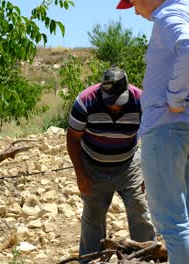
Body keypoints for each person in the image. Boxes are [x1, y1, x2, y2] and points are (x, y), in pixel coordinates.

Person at [116, 0, 189, 263]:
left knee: (173, 224)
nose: (136, 12)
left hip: (166, 128)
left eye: (132, 4)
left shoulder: (167, 16)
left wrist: (175, 98)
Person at [66, 68, 156, 263]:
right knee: (93, 218)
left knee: (140, 210)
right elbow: (73, 138)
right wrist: (80, 175)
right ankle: (91, 260)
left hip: (129, 164)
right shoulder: (85, 101)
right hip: (93, 166)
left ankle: (148, 257)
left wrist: (149, 172)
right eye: (110, 101)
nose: (115, 106)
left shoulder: (141, 101)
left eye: (118, 101)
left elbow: (151, 137)